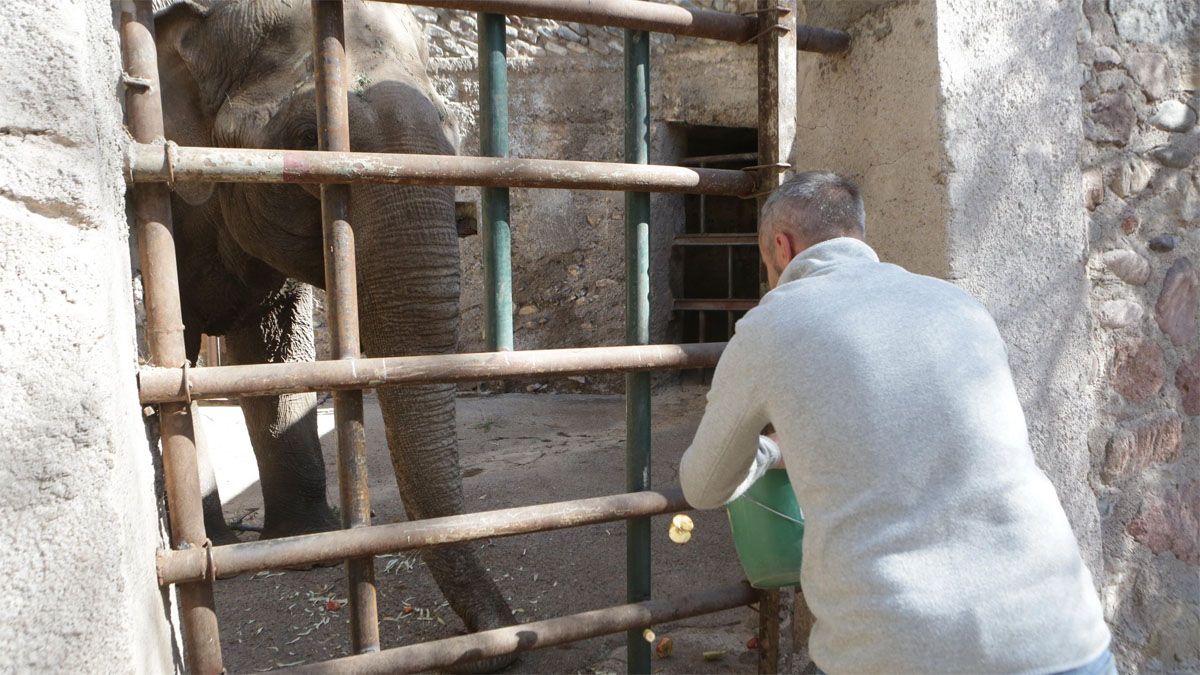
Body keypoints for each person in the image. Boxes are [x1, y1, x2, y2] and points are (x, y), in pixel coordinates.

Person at [679, 172, 1113, 674]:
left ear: (781, 246)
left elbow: (704, 485)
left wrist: (772, 451)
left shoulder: (771, 325)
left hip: (899, 645)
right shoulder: (958, 304)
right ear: (857, 235)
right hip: (1062, 631)